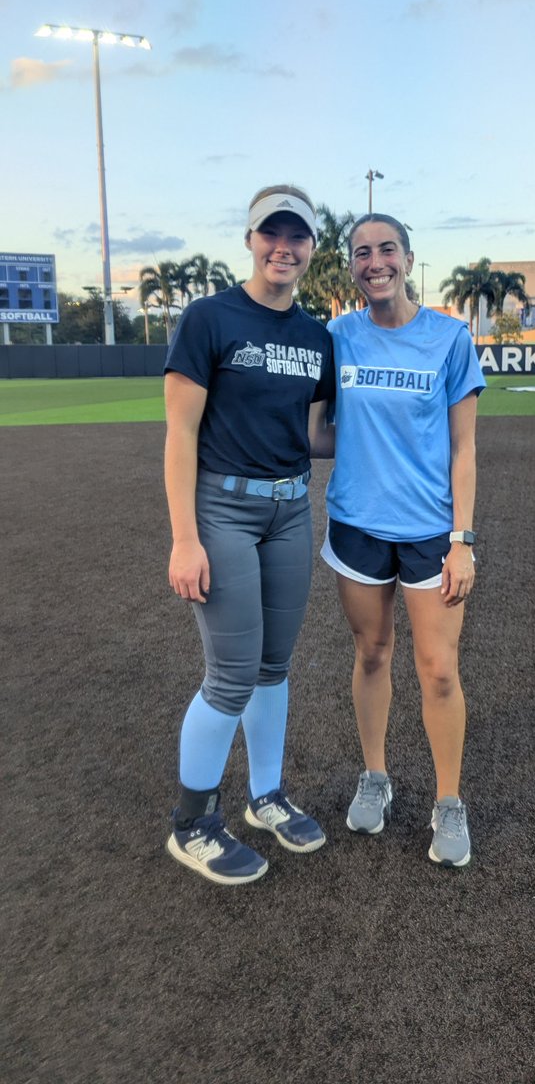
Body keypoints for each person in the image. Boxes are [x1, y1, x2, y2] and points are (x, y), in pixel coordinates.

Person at [164, 184, 335, 887]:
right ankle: (192, 824)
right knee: (230, 676)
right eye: (272, 233)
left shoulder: (315, 333)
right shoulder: (210, 317)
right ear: (251, 239)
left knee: (272, 667)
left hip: (290, 510)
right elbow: (179, 434)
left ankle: (265, 796)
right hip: (223, 512)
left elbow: (315, 435)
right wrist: (184, 538)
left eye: (296, 237)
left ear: (310, 250)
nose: (282, 247)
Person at [320, 213, 485, 868]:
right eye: (361, 252)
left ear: (408, 259)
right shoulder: (336, 336)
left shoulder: (447, 338)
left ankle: (448, 802)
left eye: (386, 248)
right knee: (371, 653)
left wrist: (461, 540)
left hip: (428, 532)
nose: (374, 261)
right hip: (357, 526)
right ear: (352, 267)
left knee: (438, 668)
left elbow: (464, 448)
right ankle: (376, 776)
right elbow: (313, 427)